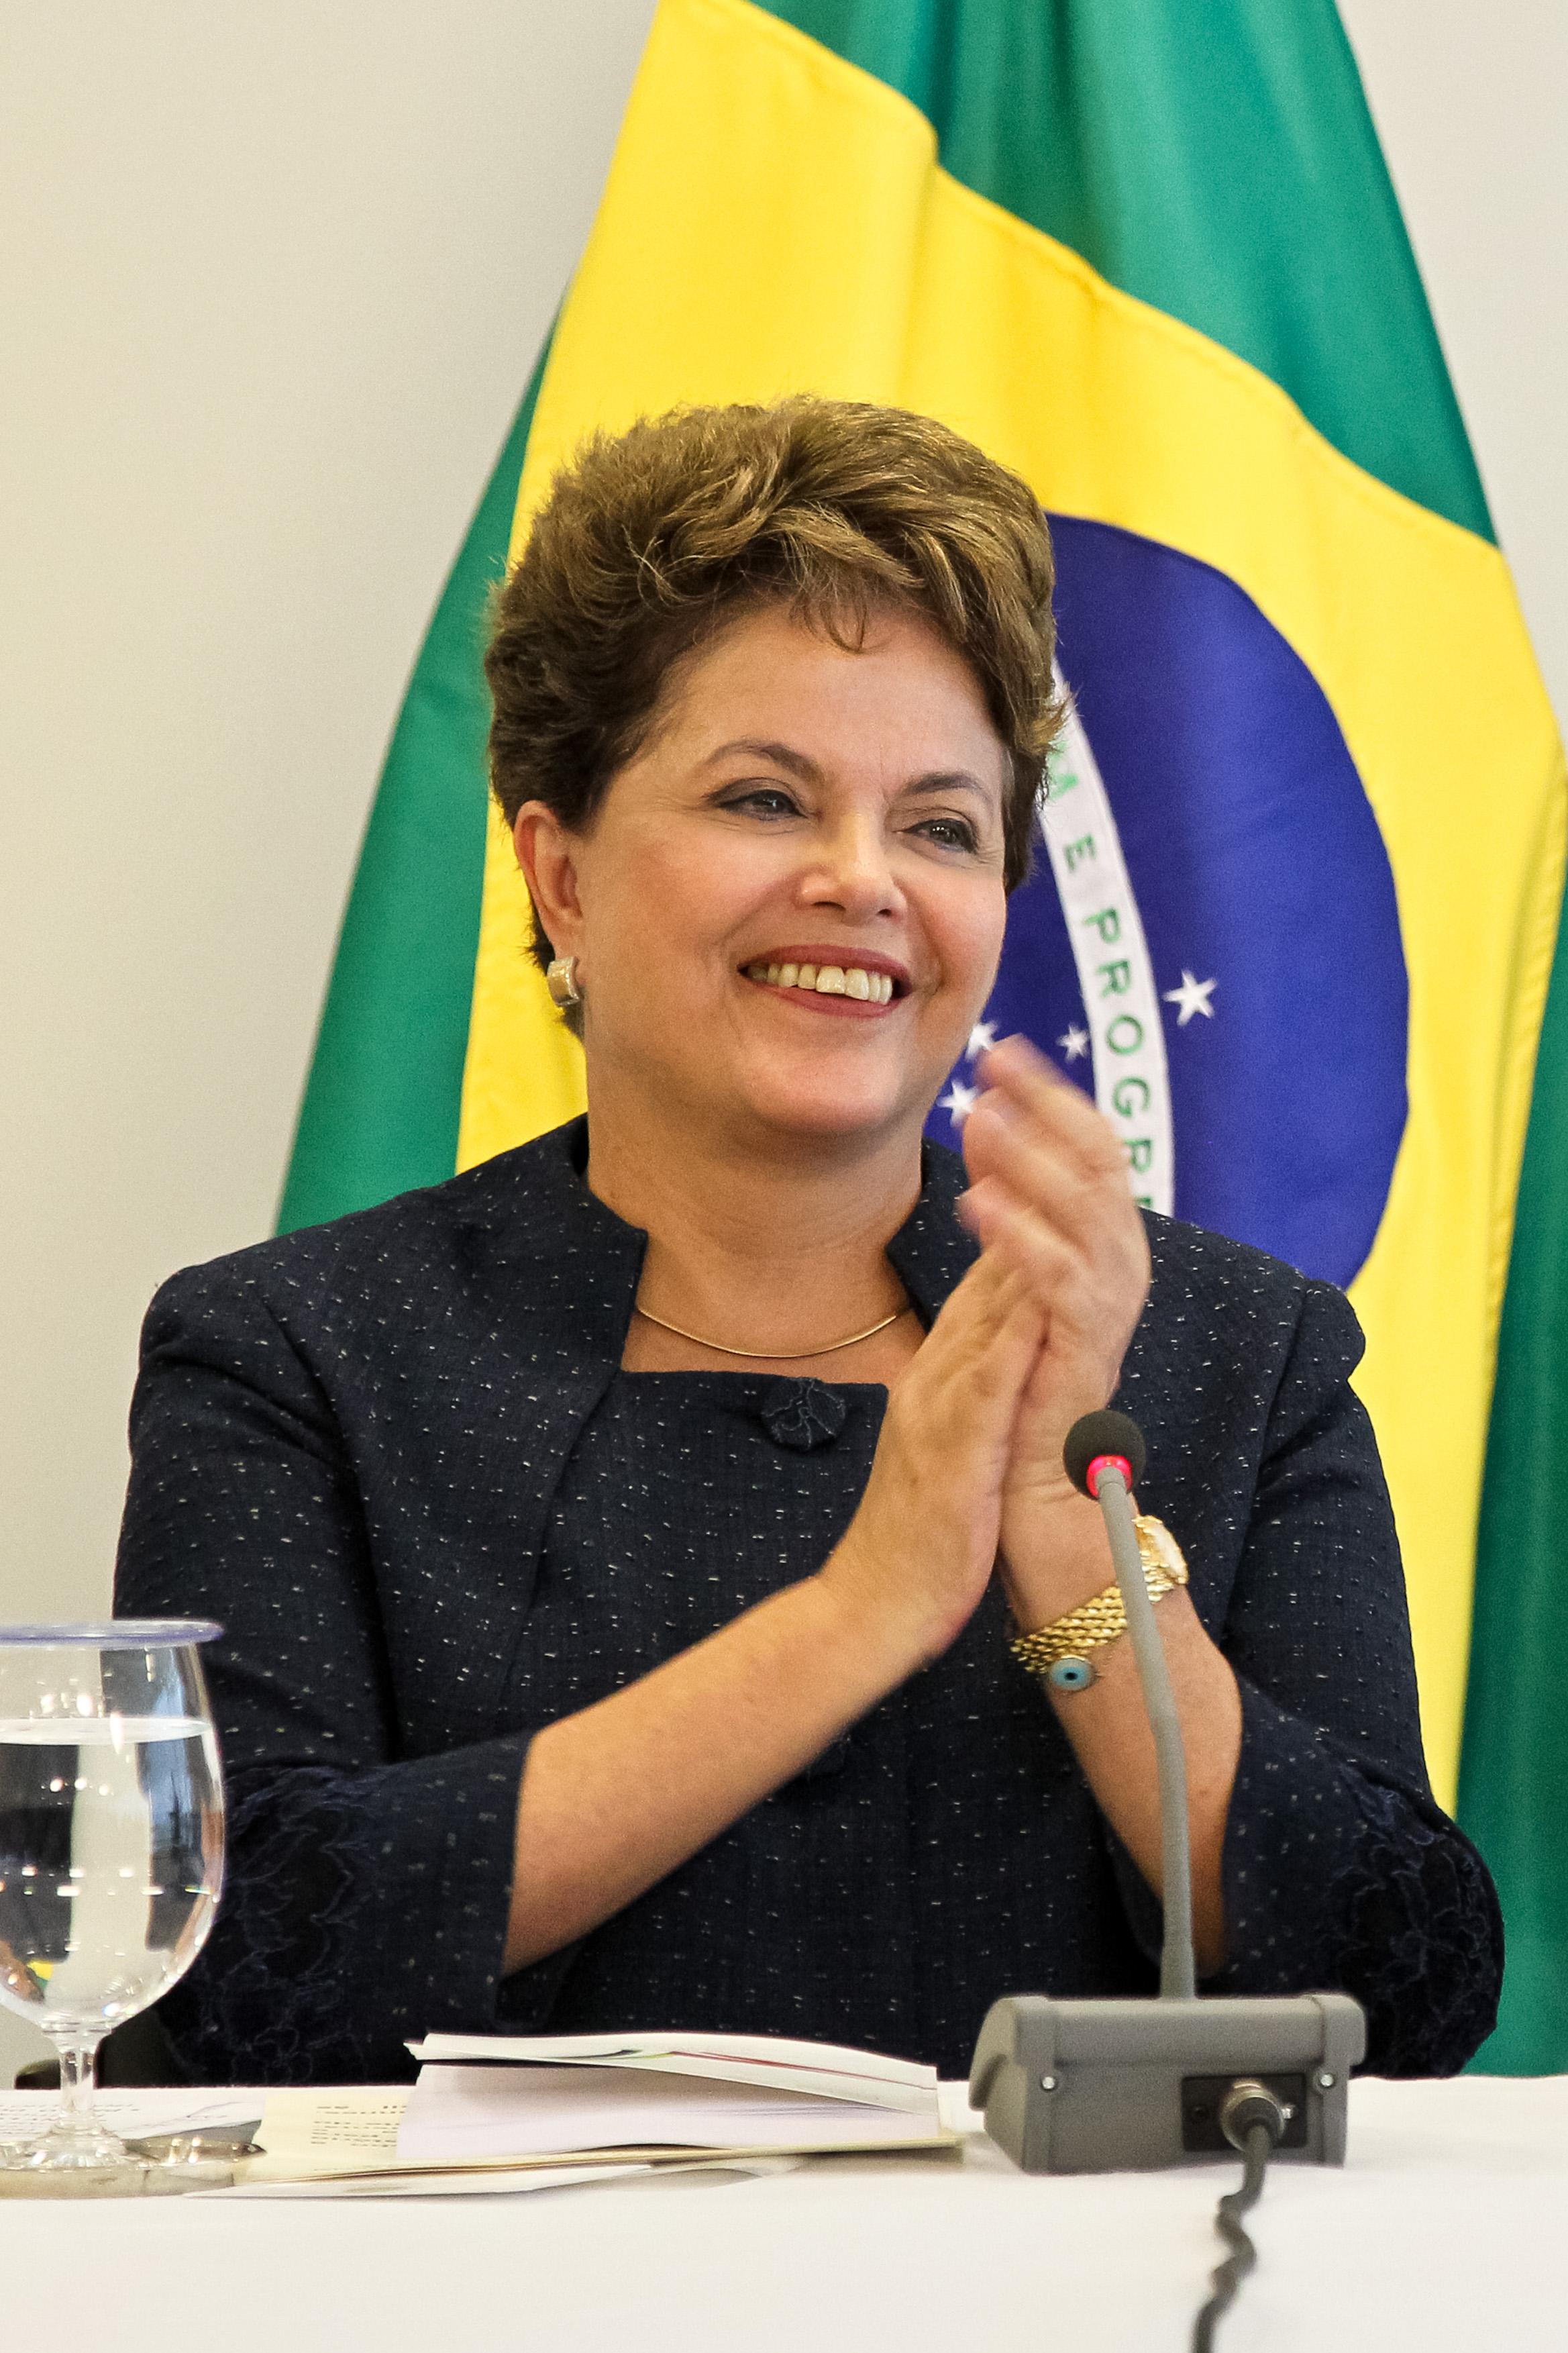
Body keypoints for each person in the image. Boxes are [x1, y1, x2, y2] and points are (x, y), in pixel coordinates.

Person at [115, 398, 1501, 2086]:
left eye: (939, 826)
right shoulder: (294, 1357)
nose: (862, 881)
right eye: (766, 799)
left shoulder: (1226, 1351)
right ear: (559, 874)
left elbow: (1407, 1982)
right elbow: (216, 1981)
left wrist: (1068, 1559)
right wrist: (860, 1610)